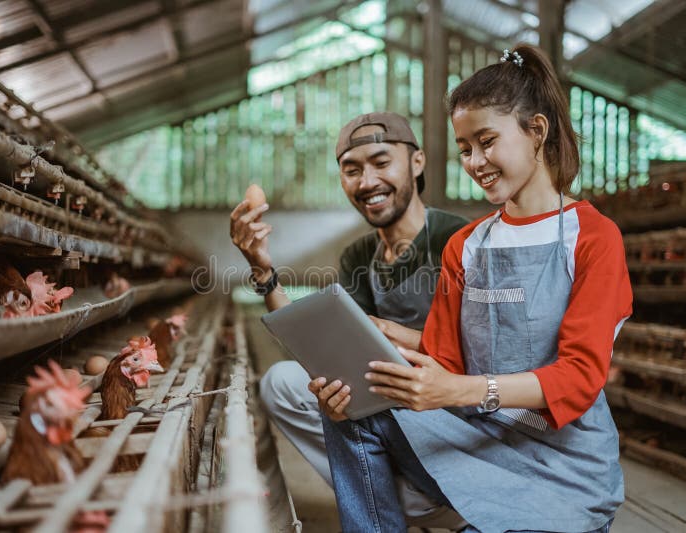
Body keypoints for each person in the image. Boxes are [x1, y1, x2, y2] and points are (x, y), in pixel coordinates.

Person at [314, 45, 633, 533]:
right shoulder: (466, 245)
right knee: (351, 410)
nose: (475, 161)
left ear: (537, 131)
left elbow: (579, 377)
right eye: (465, 148)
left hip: (564, 470)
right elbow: (445, 359)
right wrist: (362, 367)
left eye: (487, 141)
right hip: (479, 445)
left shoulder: (591, 237)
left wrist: (459, 389)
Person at [229, 112, 469, 526]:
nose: (366, 181)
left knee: (360, 400)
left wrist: (395, 338)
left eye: (381, 162)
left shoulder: (458, 239)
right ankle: (404, 498)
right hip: (391, 407)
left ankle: (445, 498)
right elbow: (319, 346)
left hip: (452, 413)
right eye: (352, 170)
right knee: (286, 383)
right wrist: (263, 270)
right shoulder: (359, 256)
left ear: (417, 163)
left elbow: (482, 355)